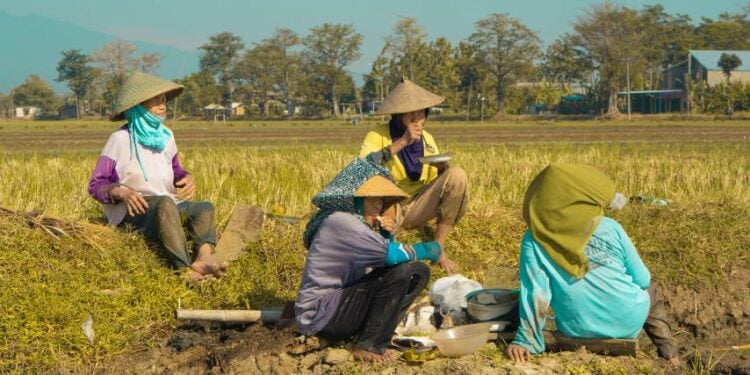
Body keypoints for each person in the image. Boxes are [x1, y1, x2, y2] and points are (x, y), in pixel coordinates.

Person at [506, 163, 680, 366]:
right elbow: (643, 279)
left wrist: (525, 341)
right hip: (628, 324)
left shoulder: (534, 238)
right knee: (652, 290)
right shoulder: (610, 227)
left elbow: (536, 293)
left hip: (578, 329)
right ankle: (672, 357)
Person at [296, 159, 442, 363]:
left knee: (418, 271)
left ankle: (378, 337)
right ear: (355, 199)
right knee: (402, 271)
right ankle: (367, 345)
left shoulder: (356, 226)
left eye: (381, 201)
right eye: (372, 200)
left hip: (340, 309)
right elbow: (392, 258)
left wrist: (386, 236)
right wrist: (429, 248)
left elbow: (383, 267)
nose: (379, 206)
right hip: (320, 314)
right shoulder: (341, 222)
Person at [87, 71, 227, 281]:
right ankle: (184, 268)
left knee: (204, 208)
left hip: (168, 203)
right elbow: (97, 184)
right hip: (134, 210)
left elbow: (176, 170)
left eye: (163, 100)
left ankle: (204, 256)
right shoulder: (119, 139)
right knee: (164, 204)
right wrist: (121, 192)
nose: (163, 105)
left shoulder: (166, 136)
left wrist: (186, 178)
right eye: (156, 101)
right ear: (138, 106)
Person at [359, 78, 468, 275]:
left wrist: (442, 170)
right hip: (388, 207)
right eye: (412, 113)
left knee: (457, 176)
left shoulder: (427, 139)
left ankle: (439, 249)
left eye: (422, 112)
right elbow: (363, 168)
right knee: (382, 254)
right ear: (399, 114)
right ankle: (391, 253)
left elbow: (435, 180)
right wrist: (403, 141)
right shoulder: (377, 135)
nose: (418, 117)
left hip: (418, 205)